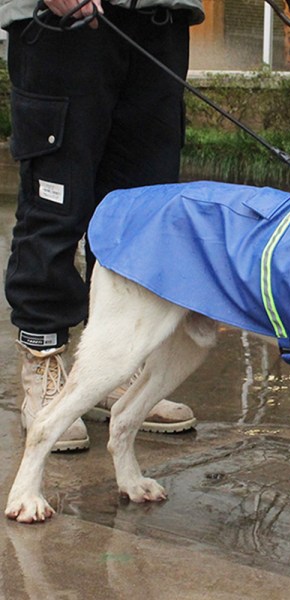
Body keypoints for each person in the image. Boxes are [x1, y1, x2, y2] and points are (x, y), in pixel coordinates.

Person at [0, 0, 205, 451]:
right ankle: (43, 361)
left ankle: (113, 368)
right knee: (56, 208)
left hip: (161, 20)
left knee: (137, 220)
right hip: (63, 21)